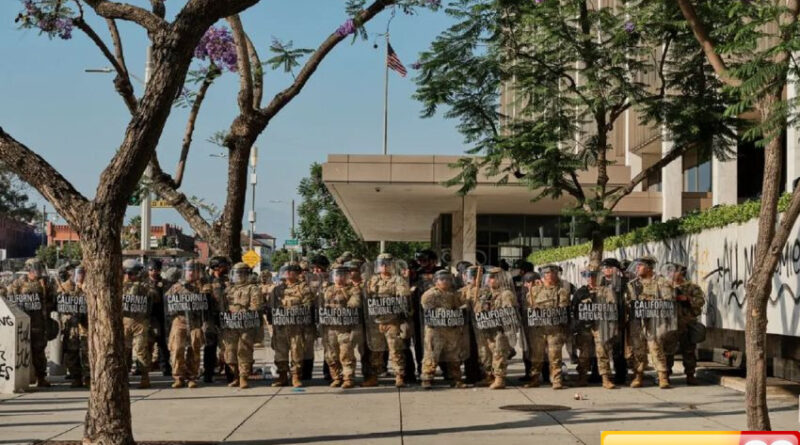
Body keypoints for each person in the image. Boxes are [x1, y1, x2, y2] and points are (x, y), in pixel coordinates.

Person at [626, 256, 676, 389]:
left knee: (656, 348)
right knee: (638, 350)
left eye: (640, 266)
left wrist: (649, 302)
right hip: (637, 322)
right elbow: (628, 302)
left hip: (655, 320)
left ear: (649, 268)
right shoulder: (633, 284)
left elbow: (668, 301)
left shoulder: (661, 282)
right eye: (637, 266)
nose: (637, 268)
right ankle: (638, 376)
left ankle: (662, 377)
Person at [4, 258, 55, 387]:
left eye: (38, 268)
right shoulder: (18, 283)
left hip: (39, 324)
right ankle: (24, 377)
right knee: (22, 351)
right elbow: (9, 298)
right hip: (24, 324)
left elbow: (52, 301)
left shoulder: (45, 284)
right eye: (34, 268)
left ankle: (41, 377)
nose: (37, 271)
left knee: (39, 351)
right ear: (28, 270)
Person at [365, 253, 412, 388]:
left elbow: (404, 294)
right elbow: (366, 295)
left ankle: (399, 376)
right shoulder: (372, 280)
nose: (384, 266)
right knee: (375, 351)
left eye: (387, 263)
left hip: (393, 320)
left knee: (395, 350)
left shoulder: (398, 279)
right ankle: (373, 377)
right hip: (376, 321)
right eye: (381, 263)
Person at [468, 267, 519, 390]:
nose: (490, 281)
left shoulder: (506, 294)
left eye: (493, 278)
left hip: (501, 329)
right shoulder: (486, 293)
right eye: (488, 278)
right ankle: (489, 376)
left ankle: (499, 378)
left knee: (499, 353)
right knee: (488, 354)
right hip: (488, 329)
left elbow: (509, 313)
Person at [165, 260, 213, 388]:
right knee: (177, 349)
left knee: (194, 348)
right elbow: (167, 303)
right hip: (179, 320)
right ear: (185, 271)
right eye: (189, 270)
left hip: (195, 321)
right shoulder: (176, 287)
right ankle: (178, 377)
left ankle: (192, 377)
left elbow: (209, 302)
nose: (191, 273)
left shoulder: (203, 287)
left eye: (194, 270)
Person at [523, 265, 570, 389]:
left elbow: (563, 309)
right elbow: (529, 306)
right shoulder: (535, 290)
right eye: (550, 274)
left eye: (554, 273)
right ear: (545, 275)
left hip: (554, 329)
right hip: (538, 329)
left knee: (555, 355)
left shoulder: (561, 291)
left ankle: (556, 380)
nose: (553, 276)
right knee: (536, 355)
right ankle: (534, 378)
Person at [268, 262, 314, 388]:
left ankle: (295, 376)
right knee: (280, 353)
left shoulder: (304, 288)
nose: (287, 274)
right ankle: (282, 376)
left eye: (291, 271)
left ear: (297, 274)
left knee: (297, 351)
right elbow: (271, 307)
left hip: (297, 327)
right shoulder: (277, 289)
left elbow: (307, 305)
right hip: (281, 326)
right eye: (286, 271)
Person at [420, 270, 468, 389]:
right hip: (435, 330)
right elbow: (428, 309)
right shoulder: (430, 294)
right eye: (442, 279)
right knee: (431, 355)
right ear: (436, 282)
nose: (445, 281)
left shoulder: (454, 294)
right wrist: (448, 312)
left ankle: (456, 378)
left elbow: (461, 305)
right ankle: (427, 378)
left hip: (451, 330)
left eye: (448, 279)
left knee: (454, 355)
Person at [572, 266, 618, 389]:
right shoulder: (580, 292)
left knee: (602, 351)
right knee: (584, 353)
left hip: (600, 326)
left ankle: (605, 378)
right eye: (588, 276)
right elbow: (574, 310)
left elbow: (612, 309)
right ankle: (582, 376)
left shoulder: (607, 291)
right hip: (584, 327)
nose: (591, 279)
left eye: (593, 276)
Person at [220, 263, 263, 389]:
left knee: (244, 351)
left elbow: (256, 306)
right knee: (230, 352)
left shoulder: (252, 288)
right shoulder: (229, 289)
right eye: (236, 273)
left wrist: (242, 312)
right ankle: (235, 376)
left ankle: (244, 377)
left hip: (246, 325)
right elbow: (222, 306)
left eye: (241, 273)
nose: (238, 276)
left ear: (246, 274)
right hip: (230, 325)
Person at [319, 266, 362, 389]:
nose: (340, 278)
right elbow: (320, 303)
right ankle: (336, 377)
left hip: (345, 327)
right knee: (331, 354)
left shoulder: (353, 290)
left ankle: (348, 378)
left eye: (343, 275)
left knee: (346, 353)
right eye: (337, 275)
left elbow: (355, 302)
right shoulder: (327, 289)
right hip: (330, 327)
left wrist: (345, 306)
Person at [663, 262, 706, 385]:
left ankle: (690, 374)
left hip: (686, 323)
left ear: (681, 273)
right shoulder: (666, 286)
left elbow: (700, 301)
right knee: (668, 351)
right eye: (669, 271)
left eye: (673, 271)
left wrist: (687, 299)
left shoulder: (692, 287)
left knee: (688, 351)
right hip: (670, 324)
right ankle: (665, 375)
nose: (670, 273)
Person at [121, 259, 157, 389]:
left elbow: (154, 296)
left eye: (131, 273)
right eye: (126, 273)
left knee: (141, 351)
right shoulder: (120, 286)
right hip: (124, 322)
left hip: (140, 323)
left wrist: (140, 285)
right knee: (124, 352)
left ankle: (145, 378)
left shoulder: (144, 286)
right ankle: (123, 378)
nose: (128, 276)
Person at [56, 263, 89, 387]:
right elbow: (58, 303)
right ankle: (76, 377)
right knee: (71, 352)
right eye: (77, 273)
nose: (79, 275)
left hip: (86, 326)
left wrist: (83, 288)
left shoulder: (88, 287)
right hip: (71, 326)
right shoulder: (65, 286)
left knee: (87, 352)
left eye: (81, 273)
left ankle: (88, 377)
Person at [459, 265, 484, 385]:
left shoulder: (484, 290)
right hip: (467, 324)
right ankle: (471, 374)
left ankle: (485, 374)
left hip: (482, 324)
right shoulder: (464, 290)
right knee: (468, 351)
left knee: (483, 351)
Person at [206, 256, 230, 383]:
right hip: (211, 319)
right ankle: (208, 374)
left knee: (227, 347)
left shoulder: (228, 281)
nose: (226, 268)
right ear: (216, 267)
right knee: (210, 347)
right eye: (224, 266)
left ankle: (230, 374)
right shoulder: (207, 281)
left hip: (225, 318)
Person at [146, 258, 171, 377]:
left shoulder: (165, 283)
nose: (153, 272)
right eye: (151, 269)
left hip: (161, 315)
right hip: (147, 316)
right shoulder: (144, 283)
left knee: (162, 343)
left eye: (156, 269)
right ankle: (143, 367)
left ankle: (165, 366)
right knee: (145, 343)